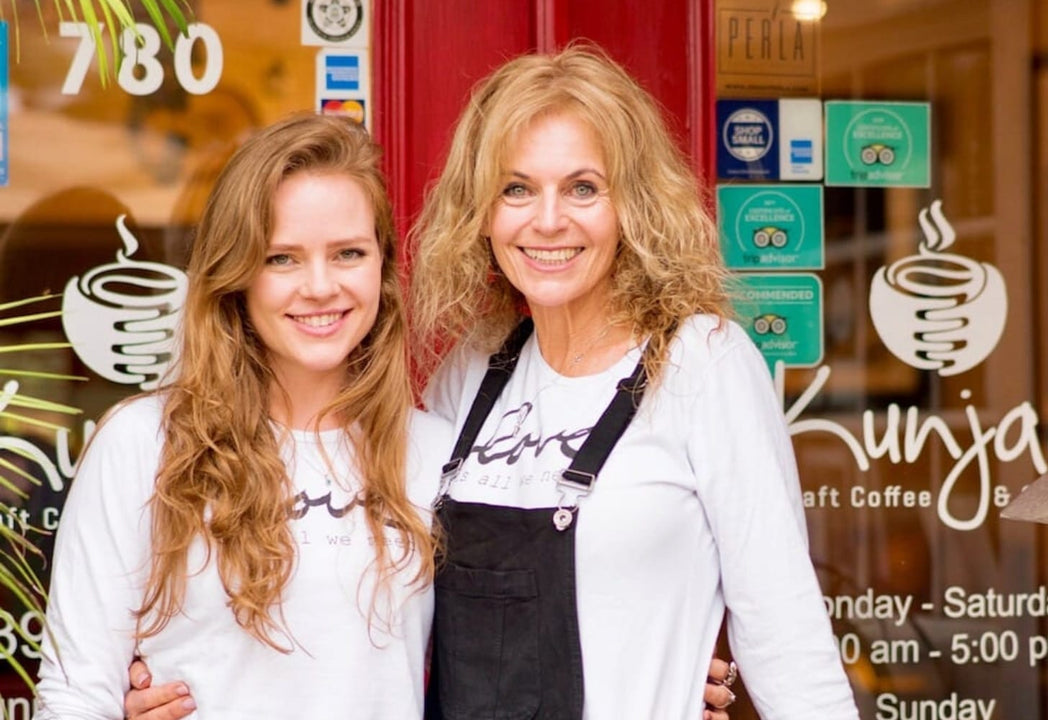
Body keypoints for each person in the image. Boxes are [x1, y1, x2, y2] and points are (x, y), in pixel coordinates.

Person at [407, 44, 859, 719]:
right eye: (516, 187)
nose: (549, 219)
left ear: (633, 205)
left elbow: (785, 635)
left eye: (583, 187)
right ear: (482, 210)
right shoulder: (471, 371)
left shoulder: (704, 364)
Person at [34, 113, 449, 718]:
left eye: (348, 253)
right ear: (238, 276)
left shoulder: (435, 454)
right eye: (281, 258)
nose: (320, 286)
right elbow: (75, 696)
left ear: (382, 268)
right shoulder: (145, 445)